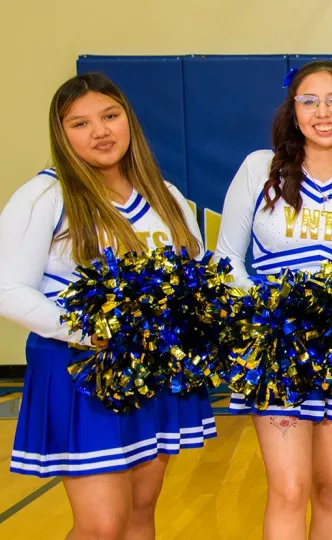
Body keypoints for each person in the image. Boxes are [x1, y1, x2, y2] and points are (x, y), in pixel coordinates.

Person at [0, 73, 213, 540]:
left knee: (140, 515)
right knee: (102, 526)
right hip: (82, 369)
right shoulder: (45, 196)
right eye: (80, 123)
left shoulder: (165, 196)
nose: (100, 131)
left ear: (128, 120)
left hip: (152, 370)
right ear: (61, 134)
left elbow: (195, 280)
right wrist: (89, 331)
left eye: (110, 116)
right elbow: (8, 288)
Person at [214, 60, 332, 540]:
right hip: (278, 348)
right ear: (291, 110)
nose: (323, 111)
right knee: (289, 489)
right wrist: (271, 313)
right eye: (309, 100)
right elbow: (227, 258)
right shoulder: (260, 169)